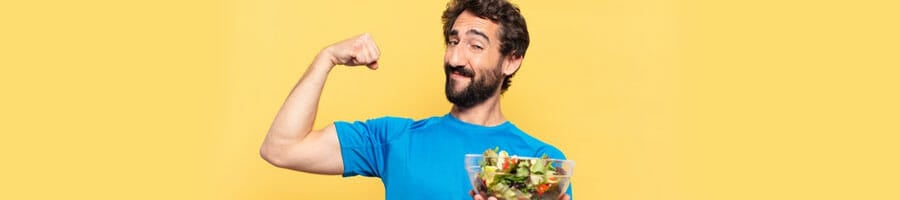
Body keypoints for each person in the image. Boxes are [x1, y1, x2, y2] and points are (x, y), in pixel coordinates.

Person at [260, 0, 572, 199]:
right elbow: (281, 148)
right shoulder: (393, 139)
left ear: (511, 60)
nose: (455, 58)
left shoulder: (540, 162)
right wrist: (325, 59)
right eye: (453, 42)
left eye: (475, 46)